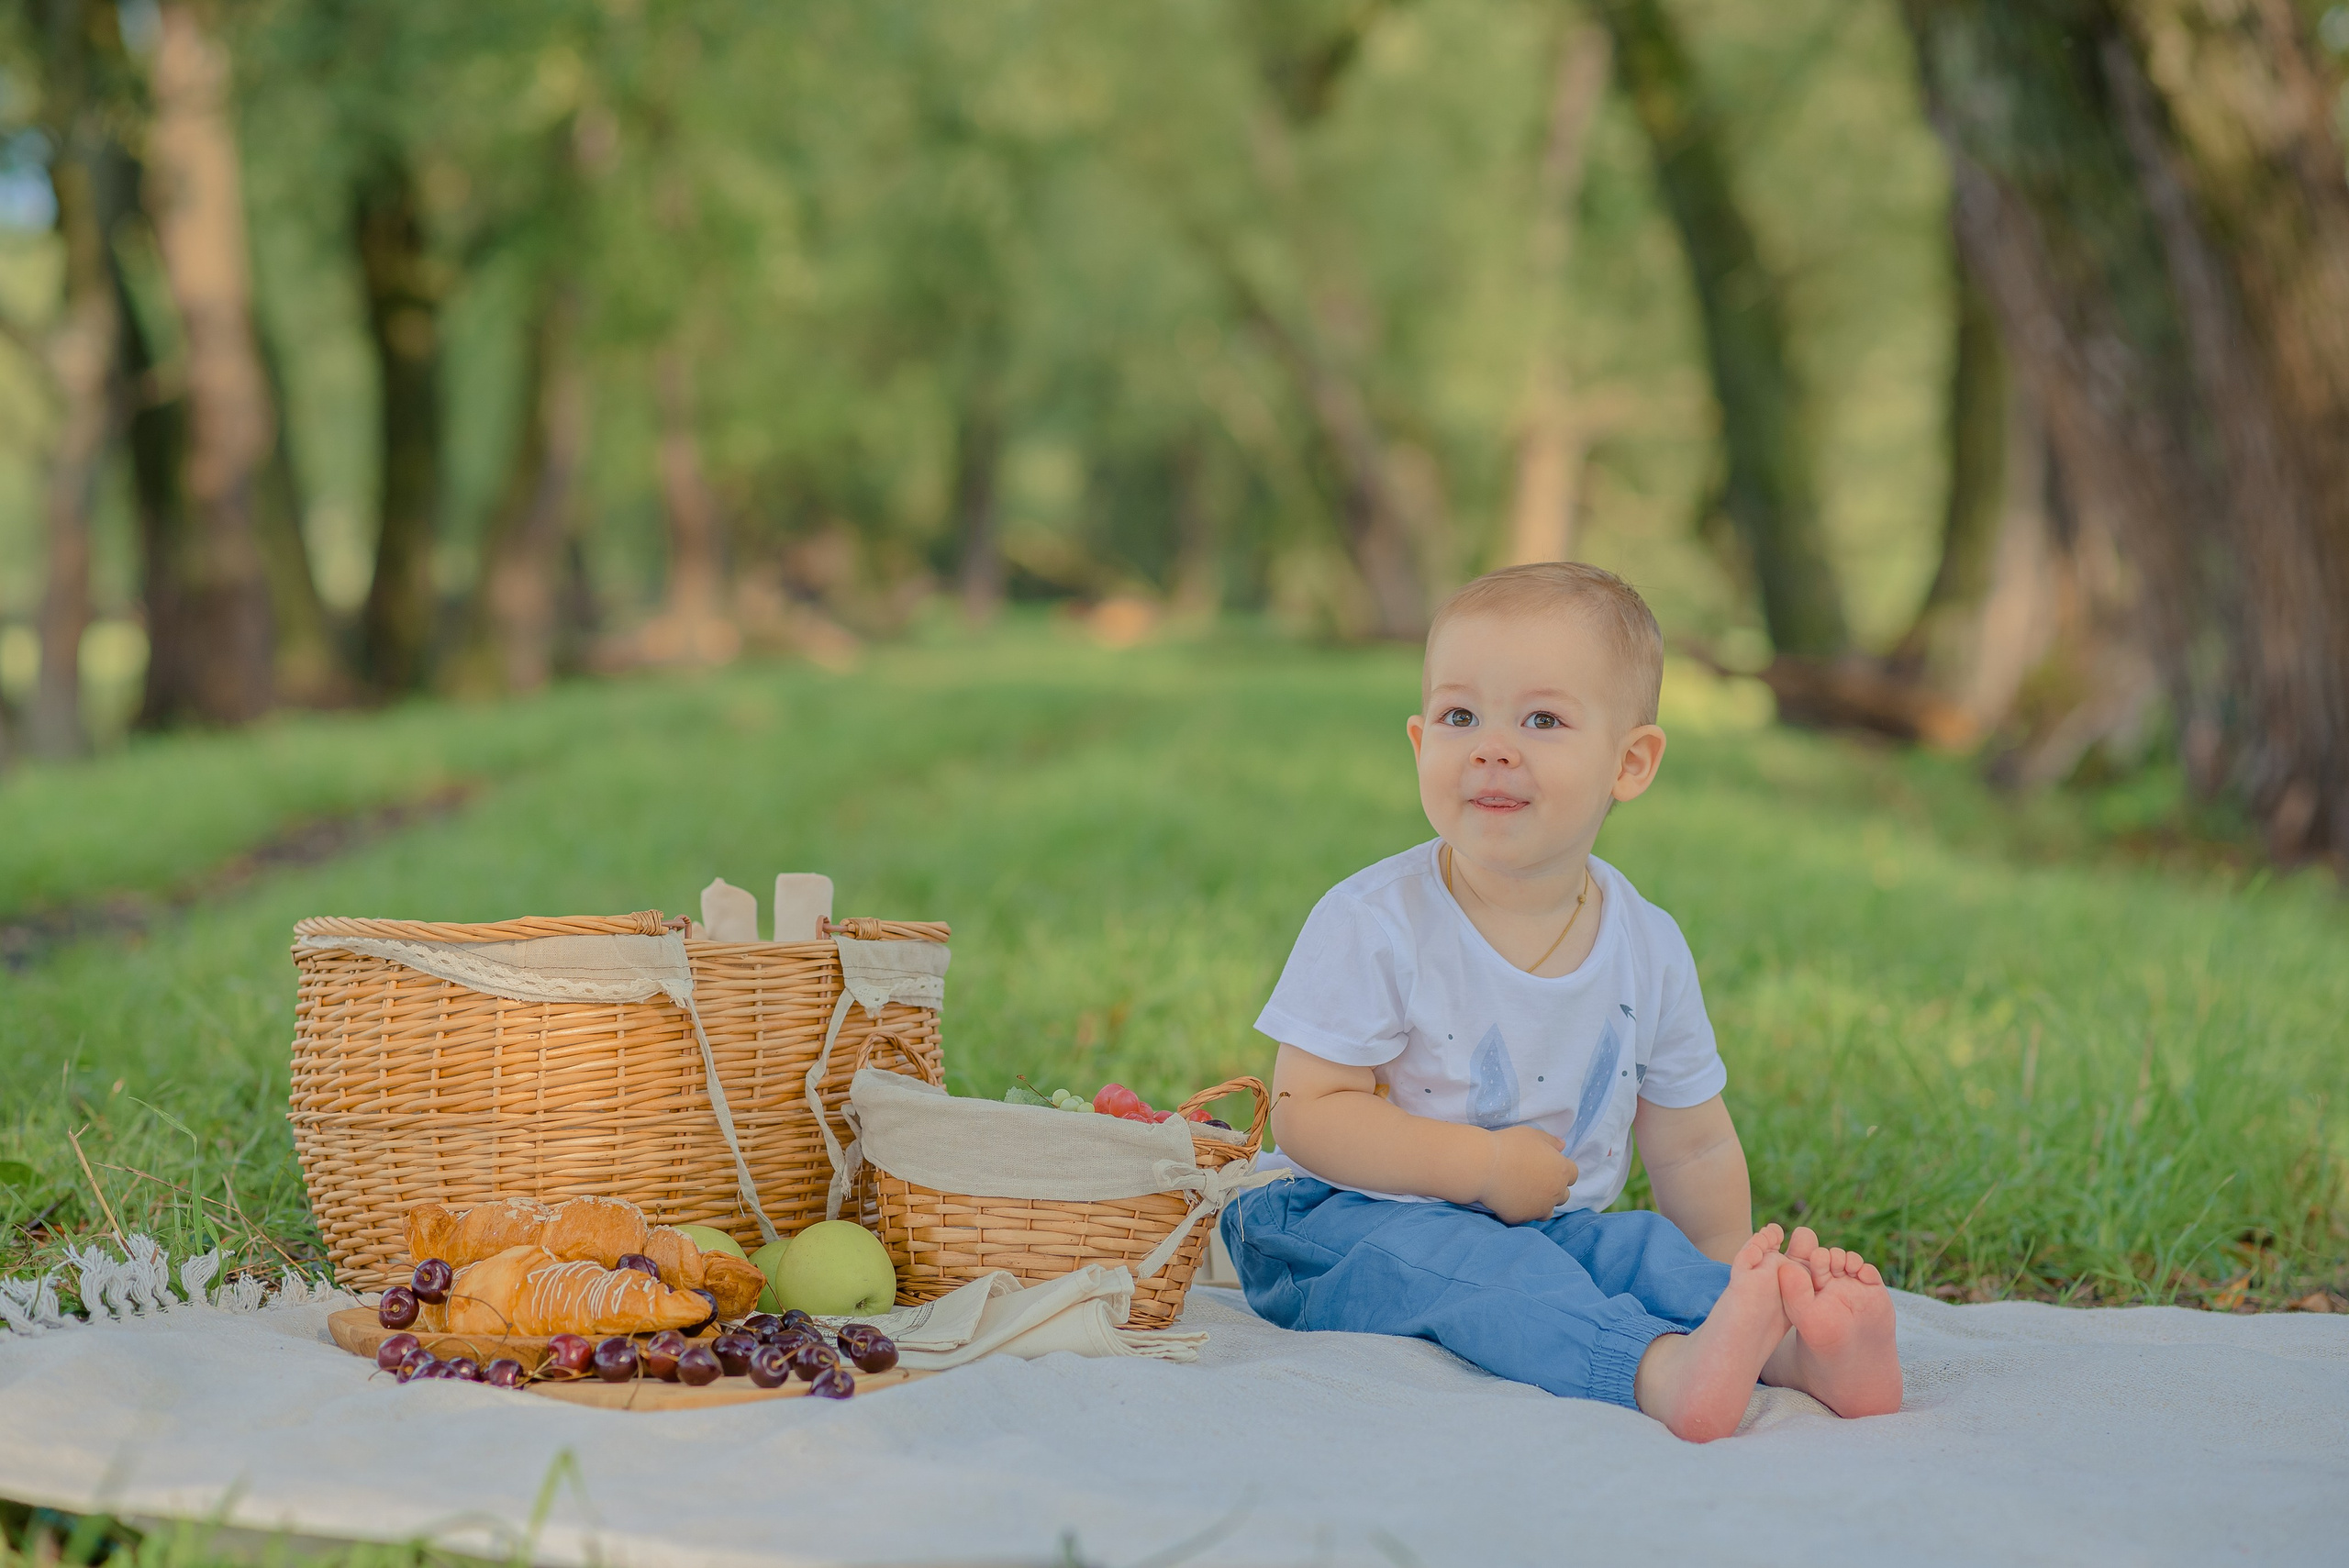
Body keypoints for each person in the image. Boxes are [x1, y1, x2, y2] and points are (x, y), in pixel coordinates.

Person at [1218, 562, 1902, 1442]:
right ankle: (1659, 1373)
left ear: (1630, 761)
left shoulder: (1646, 943)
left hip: (1553, 1222)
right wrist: (1482, 1167)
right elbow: (1308, 1113)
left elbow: (1691, 1144)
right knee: (1497, 1275)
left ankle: (1798, 1346)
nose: (1493, 746)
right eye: (1462, 716)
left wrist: (1734, 1275)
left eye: (1541, 719)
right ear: (1422, 745)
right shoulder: (1376, 921)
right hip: (1338, 1226)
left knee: (1640, 1250)